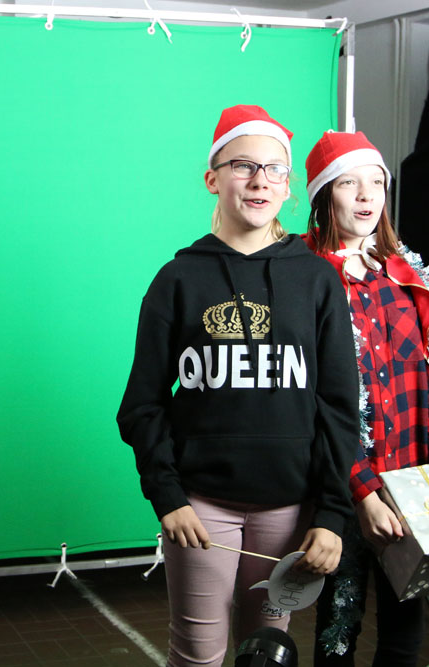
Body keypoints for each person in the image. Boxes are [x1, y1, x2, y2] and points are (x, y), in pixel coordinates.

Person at [117, 105, 359, 667]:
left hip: (289, 509)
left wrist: (331, 514)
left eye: (275, 169)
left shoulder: (317, 279)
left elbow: (339, 408)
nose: (259, 180)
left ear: (289, 186)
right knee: (198, 655)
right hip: (202, 508)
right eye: (243, 165)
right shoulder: (178, 279)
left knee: (266, 652)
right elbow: (142, 404)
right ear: (212, 178)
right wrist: (168, 497)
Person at [302, 130, 429, 666]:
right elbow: (311, 402)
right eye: (349, 184)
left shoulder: (405, 281)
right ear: (323, 195)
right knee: (336, 630)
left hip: (411, 485)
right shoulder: (307, 280)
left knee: (405, 634)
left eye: (377, 183)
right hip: (342, 488)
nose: (367, 195)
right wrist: (362, 492)